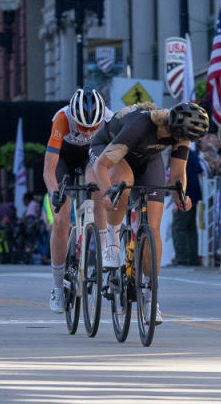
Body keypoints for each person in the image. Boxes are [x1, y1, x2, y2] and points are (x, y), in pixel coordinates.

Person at [91, 101, 210, 324]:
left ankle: (150, 297)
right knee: (123, 186)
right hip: (108, 149)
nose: (183, 141)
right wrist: (108, 192)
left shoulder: (182, 132)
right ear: (172, 128)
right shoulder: (140, 125)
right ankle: (113, 243)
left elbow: (177, 173)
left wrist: (180, 196)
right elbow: (101, 166)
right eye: (183, 137)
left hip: (146, 158)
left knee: (153, 227)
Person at [43, 86, 111, 312]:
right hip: (64, 158)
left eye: (93, 127)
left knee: (98, 187)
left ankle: (103, 251)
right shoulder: (62, 119)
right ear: (74, 117)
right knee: (61, 220)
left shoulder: (109, 119)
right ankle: (57, 287)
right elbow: (49, 170)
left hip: (90, 157)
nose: (88, 132)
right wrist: (55, 194)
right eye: (82, 127)